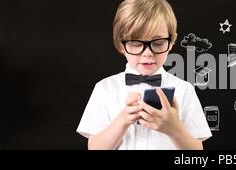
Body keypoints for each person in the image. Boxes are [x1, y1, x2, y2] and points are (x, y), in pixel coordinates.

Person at [76, 0, 212, 150]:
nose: (147, 53)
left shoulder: (184, 90)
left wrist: (174, 129)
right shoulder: (104, 89)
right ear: (122, 44)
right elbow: (94, 148)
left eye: (158, 42)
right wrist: (123, 120)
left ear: (171, 41)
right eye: (135, 43)